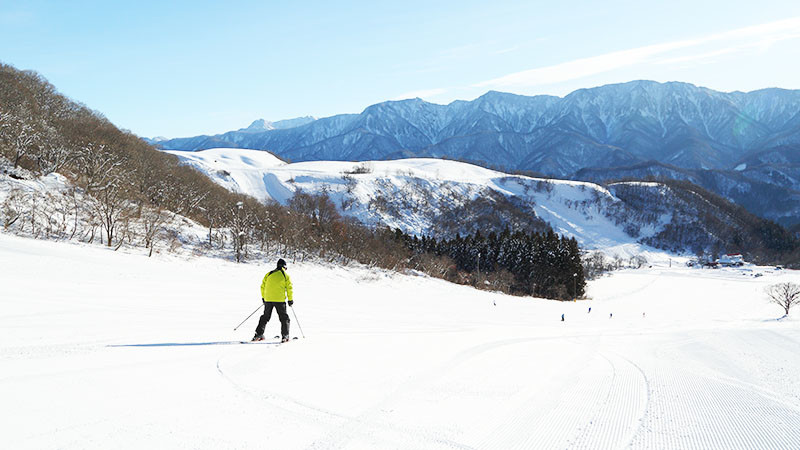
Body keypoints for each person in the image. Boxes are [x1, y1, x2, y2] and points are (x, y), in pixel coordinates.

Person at [253, 258, 294, 343]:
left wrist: (264, 298)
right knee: (284, 318)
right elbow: (289, 288)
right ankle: (285, 336)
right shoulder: (285, 275)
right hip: (279, 300)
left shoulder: (269, 274)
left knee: (265, 317)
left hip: (268, 300)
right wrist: (290, 300)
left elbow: (262, 286)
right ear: (284, 266)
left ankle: (258, 334)